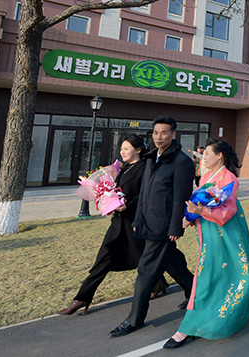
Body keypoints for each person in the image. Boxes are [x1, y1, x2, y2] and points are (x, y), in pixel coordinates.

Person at [163, 139, 249, 349]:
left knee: (212, 275)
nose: (203, 157)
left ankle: (188, 327)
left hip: (225, 235)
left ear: (219, 156)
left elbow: (228, 210)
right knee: (212, 274)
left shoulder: (228, 178)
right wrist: (189, 218)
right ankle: (200, 320)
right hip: (207, 234)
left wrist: (202, 212)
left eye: (207, 153)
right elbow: (197, 203)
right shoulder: (205, 177)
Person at [58, 134, 167, 316]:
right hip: (118, 223)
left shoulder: (144, 168)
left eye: (126, 148)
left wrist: (127, 205)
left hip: (134, 222)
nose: (122, 152)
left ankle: (161, 283)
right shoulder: (123, 169)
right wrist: (105, 197)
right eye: (121, 149)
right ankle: (82, 298)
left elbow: (146, 195)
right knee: (103, 259)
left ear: (138, 150)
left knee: (146, 257)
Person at [109, 117, 195, 337]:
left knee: (146, 271)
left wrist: (176, 227)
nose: (159, 137)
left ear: (173, 134)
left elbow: (181, 197)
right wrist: (138, 220)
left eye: (164, 133)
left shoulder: (182, 162)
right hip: (147, 222)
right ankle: (195, 293)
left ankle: (134, 320)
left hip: (164, 226)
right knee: (172, 261)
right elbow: (144, 192)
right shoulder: (150, 158)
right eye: (156, 133)